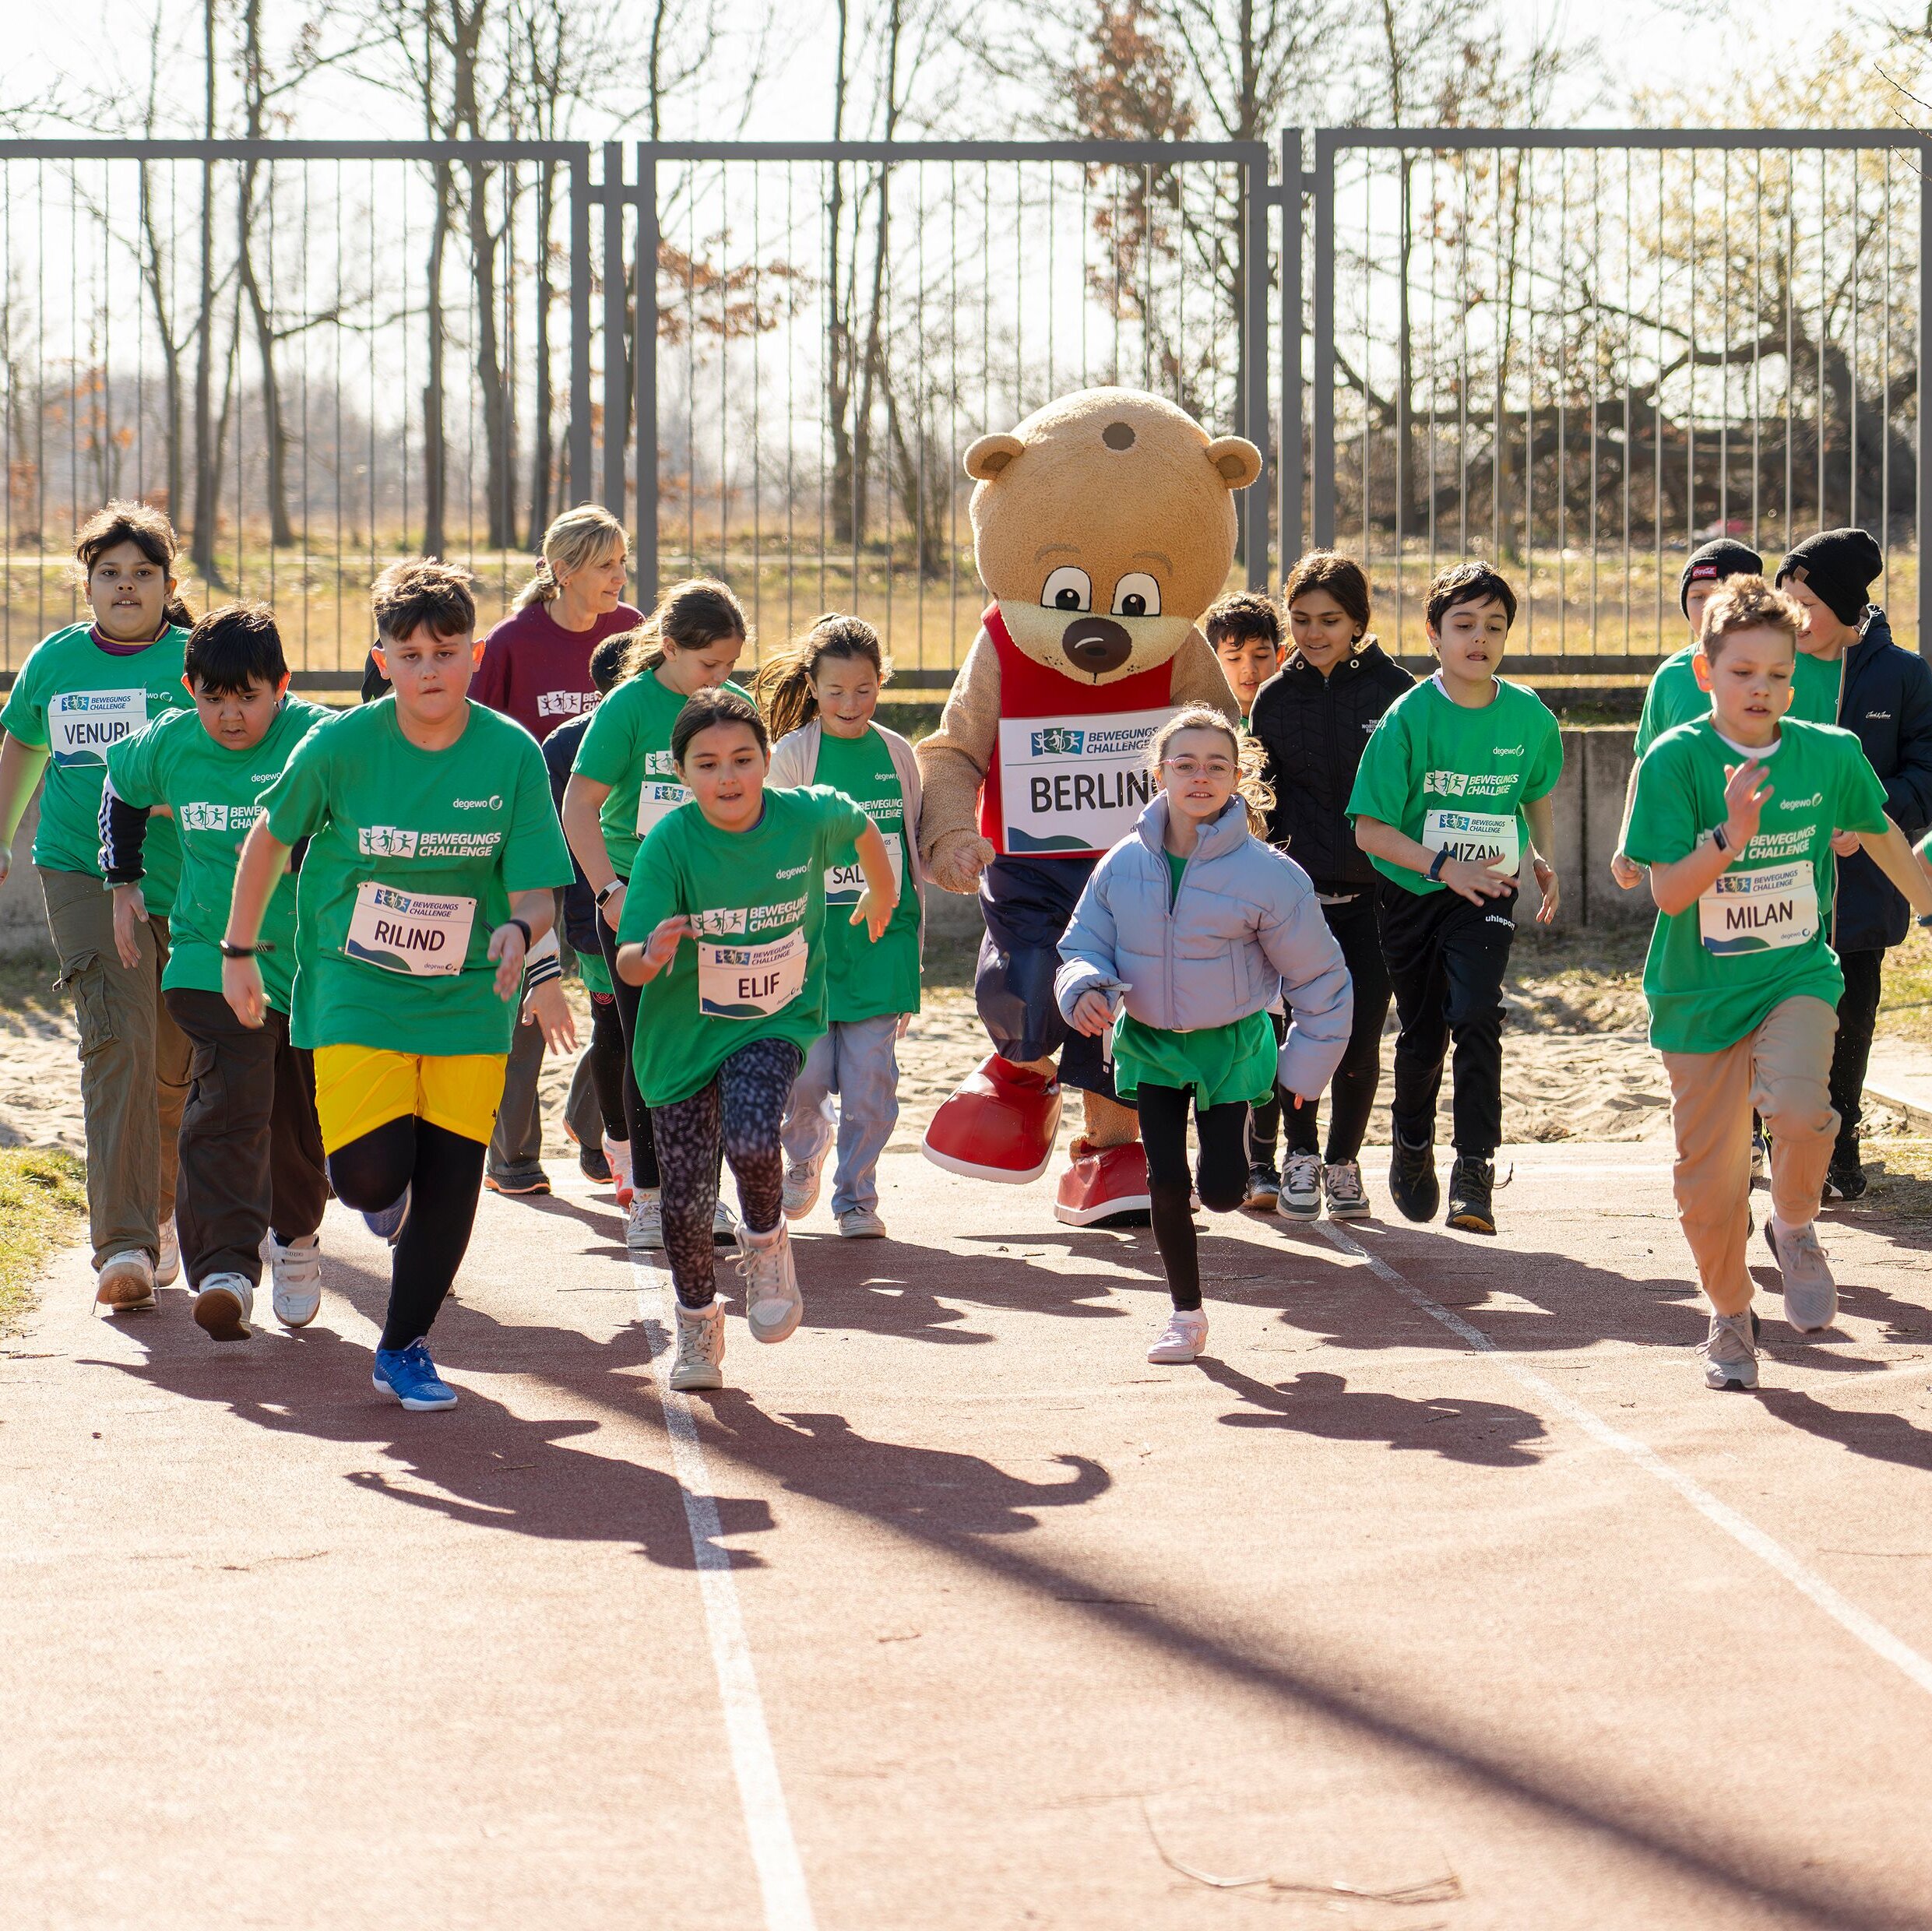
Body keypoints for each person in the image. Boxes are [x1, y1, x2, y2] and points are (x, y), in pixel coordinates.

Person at [222, 561, 572, 1412]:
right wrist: (238, 949)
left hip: (469, 993)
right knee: (374, 1177)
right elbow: (269, 841)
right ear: (381, 656)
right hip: (354, 983)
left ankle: (404, 1344)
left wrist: (520, 934)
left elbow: (536, 885)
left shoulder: (510, 752)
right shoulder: (340, 745)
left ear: (474, 655)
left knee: (454, 1176)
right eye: (408, 652)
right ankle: (387, 1194)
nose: (427, 669)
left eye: (444, 651)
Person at [1622, 576, 1932, 1390]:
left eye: (1780, 675)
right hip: (1697, 994)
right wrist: (1733, 832)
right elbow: (1668, 893)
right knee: (1707, 1183)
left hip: (1795, 972)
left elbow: (1881, 831)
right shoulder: (1675, 759)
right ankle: (1729, 1314)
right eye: (1744, 672)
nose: (1763, 689)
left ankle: (1794, 1224)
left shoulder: (1829, 752)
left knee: (1801, 1107)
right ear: (1705, 671)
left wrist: (1929, 904)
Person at [614, 687, 896, 1392]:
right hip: (682, 1037)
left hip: (776, 1018)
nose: (728, 777)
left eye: (743, 759)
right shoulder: (669, 845)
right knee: (681, 1201)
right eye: (707, 765)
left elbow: (860, 822)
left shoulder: (802, 816)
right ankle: (698, 1326)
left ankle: (767, 1244)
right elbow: (627, 960)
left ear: (769, 760)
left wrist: (882, 890)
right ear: (682, 775)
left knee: (749, 1135)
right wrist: (651, 954)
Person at [1057, 705, 1352, 1364]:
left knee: (1219, 1191)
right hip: (1150, 1043)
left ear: (1239, 776)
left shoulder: (1269, 875)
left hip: (1231, 1043)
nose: (1199, 776)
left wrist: (1304, 1070)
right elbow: (1084, 944)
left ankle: (1240, 1146)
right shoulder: (1121, 863)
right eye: (1184, 764)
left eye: (1216, 765)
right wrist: (1081, 988)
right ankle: (1185, 1315)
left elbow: (1319, 978)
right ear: (1158, 773)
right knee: (1164, 1178)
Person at [100, 603, 333, 1340]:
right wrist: (124, 877)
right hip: (207, 953)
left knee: (297, 1122)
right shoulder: (170, 741)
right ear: (189, 688)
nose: (230, 717)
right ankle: (226, 1270)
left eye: (249, 698)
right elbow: (121, 785)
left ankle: (295, 1239)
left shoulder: (319, 739)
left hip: (307, 964)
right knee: (227, 1101)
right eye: (213, 698)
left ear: (283, 687)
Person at [0, 503, 196, 1310]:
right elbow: (21, 743)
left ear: (168, 584)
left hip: (186, 880)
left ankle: (161, 1206)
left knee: (172, 1061)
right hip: (78, 869)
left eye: (142, 573)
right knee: (114, 1040)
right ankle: (122, 1244)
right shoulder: (56, 661)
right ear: (86, 584)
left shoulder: (195, 660)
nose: (125, 586)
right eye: (110, 573)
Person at [1348, 561, 1562, 1236]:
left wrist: (1540, 855)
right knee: (1422, 1033)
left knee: (1475, 1011)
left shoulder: (1528, 715)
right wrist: (1442, 867)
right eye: (1463, 625)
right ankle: (1411, 1142)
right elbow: (1369, 829)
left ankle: (1475, 1167)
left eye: (1493, 627)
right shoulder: (1407, 717)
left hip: (1489, 890)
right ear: (1434, 636)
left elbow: (1534, 793)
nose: (1479, 638)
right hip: (1413, 891)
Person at [562, 577, 753, 1253]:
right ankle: (648, 1194)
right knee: (648, 1050)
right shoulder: (627, 708)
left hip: (716, 905)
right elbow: (578, 805)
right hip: (639, 898)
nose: (722, 679)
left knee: (717, 1047)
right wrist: (609, 891)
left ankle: (705, 1194)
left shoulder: (734, 707)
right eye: (709, 665)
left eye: (731, 665)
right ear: (668, 647)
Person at [473, 504, 642, 1198]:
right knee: (528, 991)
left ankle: (595, 1121)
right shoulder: (514, 640)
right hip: (529, 843)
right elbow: (479, 731)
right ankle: (512, 1154)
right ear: (562, 571)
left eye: (622, 562)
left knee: (619, 998)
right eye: (606, 565)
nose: (620, 577)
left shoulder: (634, 633)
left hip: (613, 842)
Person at [1248, 550, 1413, 1219]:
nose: (1314, 633)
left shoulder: (1395, 692)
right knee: (1303, 1035)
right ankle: (1300, 1156)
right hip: (1297, 904)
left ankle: (1344, 1164)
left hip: (1378, 900)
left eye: (1329, 620)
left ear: (1357, 623)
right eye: (1301, 619)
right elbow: (1262, 799)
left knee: (1359, 1035)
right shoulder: (1274, 697)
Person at [1772, 529, 1932, 1202]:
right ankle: (1774, 1129)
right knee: (1776, 1006)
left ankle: (1841, 1137)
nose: (1792, 615)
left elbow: (1924, 774)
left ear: (1843, 602)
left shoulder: (1904, 675)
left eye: (1805, 601)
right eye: (1785, 598)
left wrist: (1869, 815)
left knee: (1853, 1004)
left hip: (1862, 885)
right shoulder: (1771, 663)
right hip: (1774, 880)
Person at [760, 614, 925, 1240]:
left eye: (863, 689)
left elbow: (910, 845)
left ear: (881, 682)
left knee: (870, 1082)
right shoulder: (795, 754)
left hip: (883, 942)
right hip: (809, 948)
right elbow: (773, 844)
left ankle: (856, 1196)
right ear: (812, 685)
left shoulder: (897, 754)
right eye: (835, 691)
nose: (850, 703)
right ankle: (805, 1152)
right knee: (805, 1078)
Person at [539, 633, 635, 1195]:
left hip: (664, 908)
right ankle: (614, 1143)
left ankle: (626, 1141)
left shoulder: (683, 730)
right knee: (613, 1030)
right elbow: (555, 840)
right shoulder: (565, 747)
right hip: (593, 916)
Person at [1202, 592, 1283, 727]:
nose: (1250, 669)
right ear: (1212, 661)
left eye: (1261, 656)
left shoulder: (1294, 716)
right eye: (1234, 659)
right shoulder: (1205, 727)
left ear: (1279, 656)